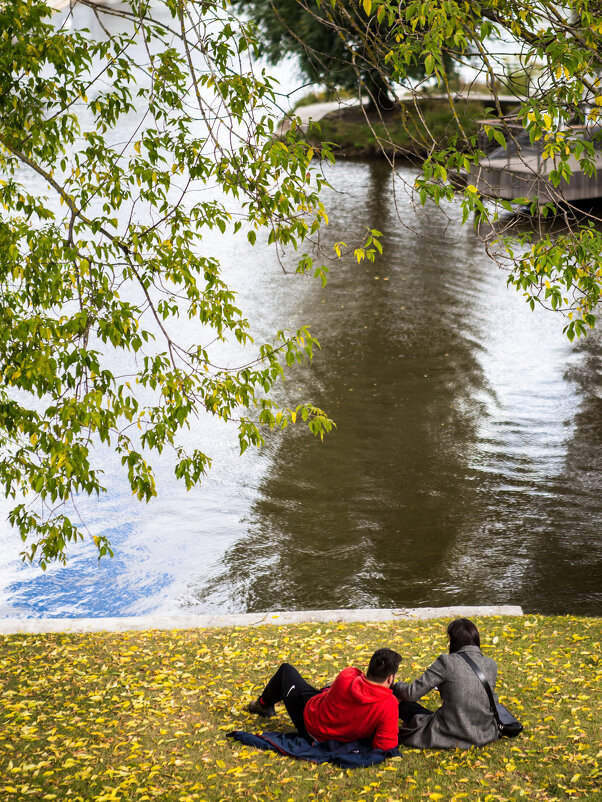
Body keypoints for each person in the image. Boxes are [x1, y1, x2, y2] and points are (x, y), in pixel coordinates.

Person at [247, 648, 401, 751]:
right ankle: (263, 705)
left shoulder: (347, 675)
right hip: (330, 733)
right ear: (391, 678)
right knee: (320, 692)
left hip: (310, 722)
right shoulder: (390, 704)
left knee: (286, 670)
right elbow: (385, 746)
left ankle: (263, 704)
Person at [393, 618, 499, 749]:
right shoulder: (491, 664)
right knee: (421, 712)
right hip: (484, 732)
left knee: (404, 704)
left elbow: (411, 694)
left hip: (451, 730)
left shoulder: (446, 662)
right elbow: (493, 703)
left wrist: (394, 685)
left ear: (453, 641)